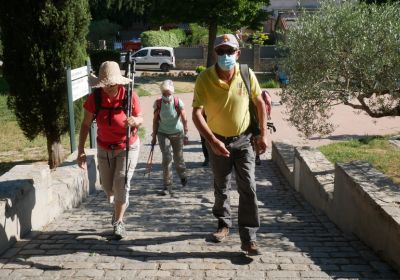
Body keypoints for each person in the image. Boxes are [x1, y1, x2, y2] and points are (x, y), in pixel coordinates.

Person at [192, 34, 267, 256]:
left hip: (244, 140)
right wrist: (212, 141)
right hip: (218, 141)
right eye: (221, 51)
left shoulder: (246, 74)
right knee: (221, 186)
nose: (225, 56)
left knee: (249, 187)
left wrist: (263, 135)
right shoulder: (204, 78)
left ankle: (249, 237)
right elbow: (196, 114)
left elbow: (260, 102)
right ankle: (223, 224)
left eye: (229, 51)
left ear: (238, 53)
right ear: (214, 53)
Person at [77, 61, 143, 240]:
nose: (109, 88)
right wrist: (80, 150)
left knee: (121, 182)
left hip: (127, 146)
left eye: (112, 84)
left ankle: (119, 222)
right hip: (104, 147)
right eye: (105, 84)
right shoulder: (95, 98)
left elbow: (140, 118)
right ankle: (117, 208)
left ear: (119, 82)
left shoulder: (130, 96)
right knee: (108, 187)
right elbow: (85, 125)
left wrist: (135, 121)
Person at [151, 80, 189, 197]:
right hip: (163, 133)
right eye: (164, 93)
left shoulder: (178, 102)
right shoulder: (158, 103)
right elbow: (155, 120)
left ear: (172, 92)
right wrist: (154, 135)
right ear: (162, 93)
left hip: (177, 133)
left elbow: (184, 117)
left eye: (168, 93)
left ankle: (182, 174)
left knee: (178, 158)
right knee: (166, 158)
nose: (167, 95)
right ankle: (167, 185)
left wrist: (186, 133)